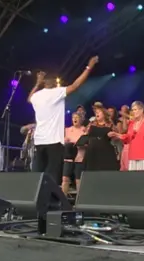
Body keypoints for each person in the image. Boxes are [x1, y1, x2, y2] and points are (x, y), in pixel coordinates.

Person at [29, 56, 98, 184]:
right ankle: (51, 200)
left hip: (39, 140)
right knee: (53, 175)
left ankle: (37, 200)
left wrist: (37, 83)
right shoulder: (57, 92)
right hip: (54, 141)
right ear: (53, 82)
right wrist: (89, 67)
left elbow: (29, 99)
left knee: (38, 174)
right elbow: (76, 85)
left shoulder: (37, 96)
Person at [110, 101, 144, 170]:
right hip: (133, 155)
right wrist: (116, 134)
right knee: (134, 179)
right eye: (132, 110)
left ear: (141, 110)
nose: (133, 112)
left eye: (135, 109)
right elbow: (128, 138)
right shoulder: (132, 123)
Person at [83, 106, 120, 171]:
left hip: (105, 151)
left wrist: (112, 135)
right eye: (96, 112)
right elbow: (85, 134)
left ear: (104, 114)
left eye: (99, 112)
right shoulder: (92, 124)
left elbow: (117, 136)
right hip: (92, 151)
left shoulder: (110, 124)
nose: (97, 113)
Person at [62, 113, 86, 194]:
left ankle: (79, 202)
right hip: (68, 157)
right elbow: (63, 142)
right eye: (73, 117)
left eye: (77, 117)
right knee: (65, 179)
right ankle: (63, 201)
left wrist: (79, 143)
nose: (75, 119)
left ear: (81, 119)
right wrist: (66, 141)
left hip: (80, 157)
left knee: (78, 180)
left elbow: (87, 143)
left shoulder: (84, 130)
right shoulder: (67, 130)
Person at [117, 105, 130, 171]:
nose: (123, 111)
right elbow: (122, 131)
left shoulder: (131, 119)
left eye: (125, 110)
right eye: (122, 110)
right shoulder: (119, 121)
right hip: (121, 141)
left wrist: (125, 117)